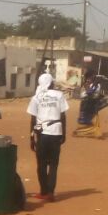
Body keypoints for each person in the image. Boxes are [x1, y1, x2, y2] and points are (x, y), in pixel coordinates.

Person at [27, 73, 69, 203]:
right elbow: (63, 116)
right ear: (51, 83)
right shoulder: (59, 95)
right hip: (56, 132)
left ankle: (44, 191)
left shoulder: (36, 97)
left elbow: (33, 119)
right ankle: (50, 192)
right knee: (53, 164)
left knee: (41, 164)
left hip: (42, 134)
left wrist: (31, 138)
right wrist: (63, 133)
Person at [74, 72, 107, 138]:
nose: (93, 78)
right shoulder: (87, 84)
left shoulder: (97, 85)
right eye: (92, 77)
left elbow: (95, 94)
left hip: (92, 103)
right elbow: (89, 92)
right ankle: (84, 132)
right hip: (87, 103)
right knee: (86, 119)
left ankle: (93, 132)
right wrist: (95, 85)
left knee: (93, 118)